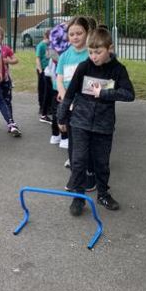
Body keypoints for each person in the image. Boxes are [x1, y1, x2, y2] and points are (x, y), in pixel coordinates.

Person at [58, 26, 135, 216]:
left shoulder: (118, 70)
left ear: (110, 48)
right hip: (80, 122)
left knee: (101, 163)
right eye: (91, 52)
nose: (93, 56)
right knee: (78, 161)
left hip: (104, 125)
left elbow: (129, 94)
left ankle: (103, 194)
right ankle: (78, 197)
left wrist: (105, 93)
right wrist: (61, 116)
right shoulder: (84, 67)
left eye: (98, 52)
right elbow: (70, 93)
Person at [56, 16, 95, 191]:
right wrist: (66, 100)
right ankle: (76, 175)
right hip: (70, 106)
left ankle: (90, 175)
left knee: (88, 143)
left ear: (87, 33)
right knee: (73, 143)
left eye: (79, 33)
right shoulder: (65, 56)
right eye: (71, 34)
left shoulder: (92, 55)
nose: (75, 37)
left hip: (88, 107)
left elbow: (100, 82)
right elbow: (59, 80)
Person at [0, 26, 18, 132]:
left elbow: (16, 60)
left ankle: (10, 123)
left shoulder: (6, 48)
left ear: (2, 37)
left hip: (5, 80)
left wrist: (7, 61)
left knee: (7, 101)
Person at [35, 29, 52, 122]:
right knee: (42, 89)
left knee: (48, 89)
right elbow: (37, 58)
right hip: (42, 70)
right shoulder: (41, 45)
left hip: (49, 70)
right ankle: (42, 107)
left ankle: (48, 107)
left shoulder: (51, 45)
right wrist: (40, 70)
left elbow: (50, 57)